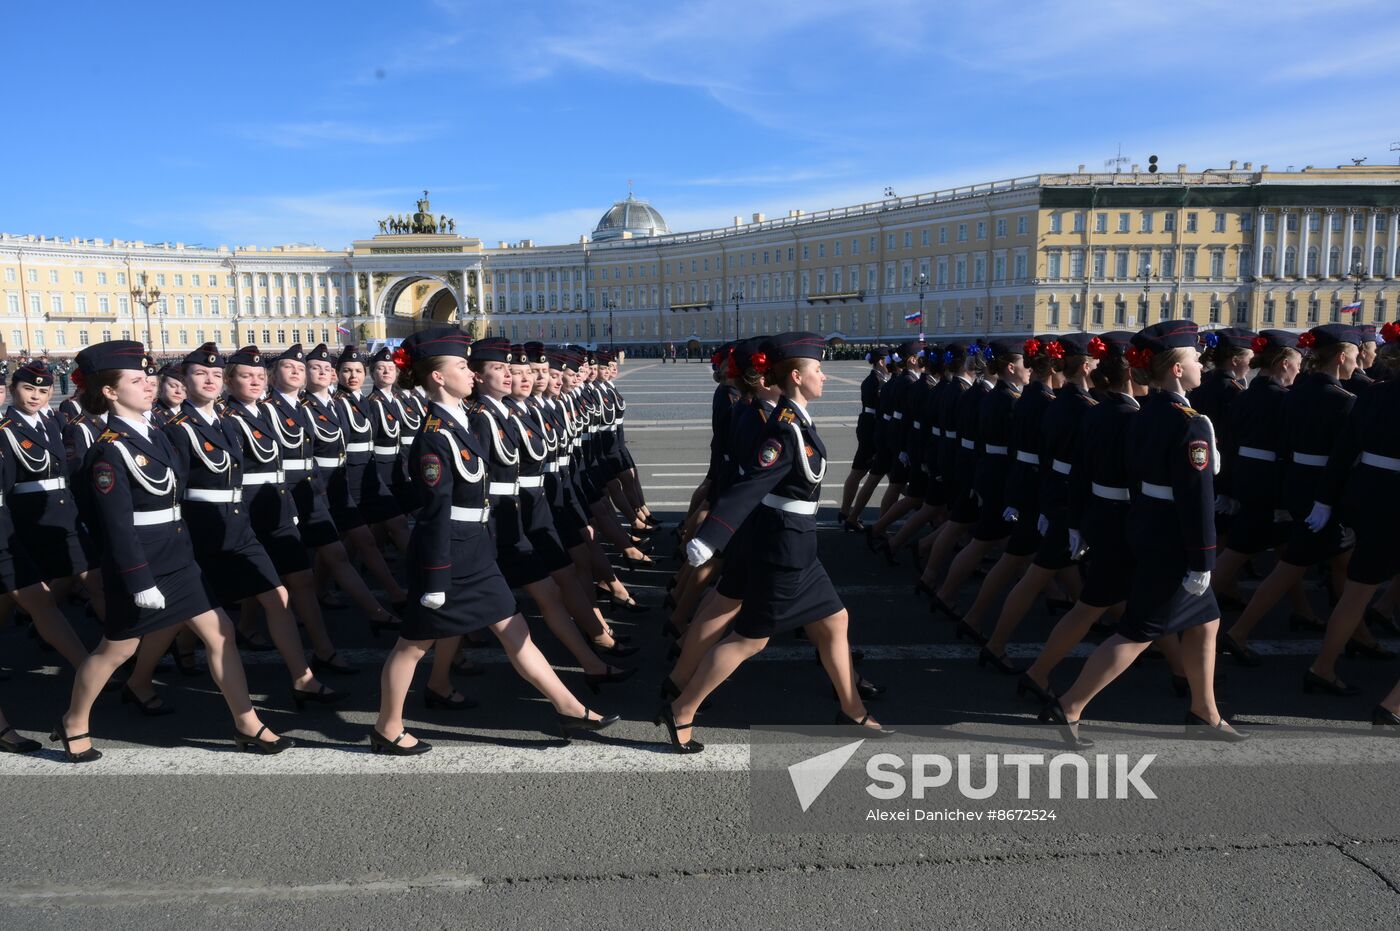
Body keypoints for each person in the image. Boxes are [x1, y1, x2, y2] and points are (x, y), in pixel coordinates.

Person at [370, 328, 618, 753]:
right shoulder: (434, 434)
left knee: (514, 626)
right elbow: (433, 516)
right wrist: (433, 579)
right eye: (462, 366)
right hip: (449, 555)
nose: (470, 373)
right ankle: (387, 727)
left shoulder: (460, 420)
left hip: (476, 548)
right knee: (412, 645)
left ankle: (569, 708)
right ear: (438, 378)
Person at [54, 341, 290, 762]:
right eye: (136, 380)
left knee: (221, 634)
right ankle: (74, 721)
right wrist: (139, 580)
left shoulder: (156, 435)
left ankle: (247, 722)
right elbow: (115, 526)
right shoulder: (110, 449)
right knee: (117, 649)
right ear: (109, 391)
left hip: (179, 558)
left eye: (149, 377)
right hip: (142, 563)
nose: (149, 385)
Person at [668, 332, 891, 754]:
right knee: (749, 639)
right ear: (795, 376)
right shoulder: (784, 430)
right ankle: (682, 708)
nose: (824, 375)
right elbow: (750, 486)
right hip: (784, 551)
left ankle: (852, 709)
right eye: (818, 370)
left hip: (799, 548)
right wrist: (711, 537)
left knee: (836, 621)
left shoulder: (796, 419)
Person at [1042, 321, 1244, 746]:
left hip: (1148, 527)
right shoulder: (1190, 423)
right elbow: (1195, 498)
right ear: (1175, 369)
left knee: (1207, 620)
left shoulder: (1146, 411)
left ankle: (1204, 710)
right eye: (1194, 358)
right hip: (1173, 540)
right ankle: (1070, 705)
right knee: (1139, 630)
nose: (1201, 365)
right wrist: (1203, 559)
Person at [1221, 324, 1368, 665]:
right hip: (1323, 491)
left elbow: (1282, 446)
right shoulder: (1344, 401)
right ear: (1342, 357)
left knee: (1315, 562)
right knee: (1297, 563)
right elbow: (1344, 457)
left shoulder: (1297, 394)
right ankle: (1336, 650)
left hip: (1294, 485)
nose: (1358, 364)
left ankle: (1358, 635)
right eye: (1356, 357)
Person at [1305, 320, 1400, 697]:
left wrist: (1325, 501)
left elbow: (1343, 454)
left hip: (1370, 496)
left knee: (1358, 591)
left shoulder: (1374, 395)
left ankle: (1322, 666)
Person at [1, 360, 103, 665]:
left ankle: (116, 653)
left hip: (64, 515)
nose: (35, 396)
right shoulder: (6, 431)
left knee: (93, 578)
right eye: (28, 388)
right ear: (12, 390)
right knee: (19, 595)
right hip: (28, 520)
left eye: (43, 391)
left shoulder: (53, 423)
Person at [304, 344, 407, 623]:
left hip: (364, 475)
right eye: (347, 370)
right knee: (345, 542)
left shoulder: (358, 402)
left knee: (350, 541)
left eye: (358, 371)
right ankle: (394, 596)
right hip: (336, 482)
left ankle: (321, 589)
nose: (353, 376)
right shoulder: (327, 404)